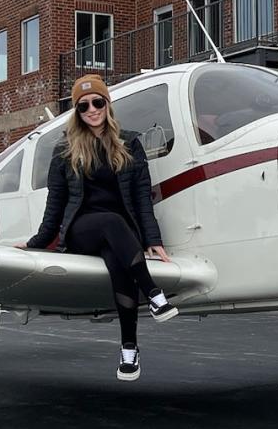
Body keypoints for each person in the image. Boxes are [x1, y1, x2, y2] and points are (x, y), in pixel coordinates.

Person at [18, 74, 177, 381]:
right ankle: (155, 294)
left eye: (97, 102)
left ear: (107, 104)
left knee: (120, 267)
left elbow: (143, 197)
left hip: (117, 235)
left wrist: (152, 238)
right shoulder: (63, 152)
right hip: (81, 230)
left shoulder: (130, 144)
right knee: (110, 221)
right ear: (77, 113)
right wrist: (37, 242)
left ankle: (129, 350)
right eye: (83, 106)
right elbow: (55, 205)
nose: (92, 109)